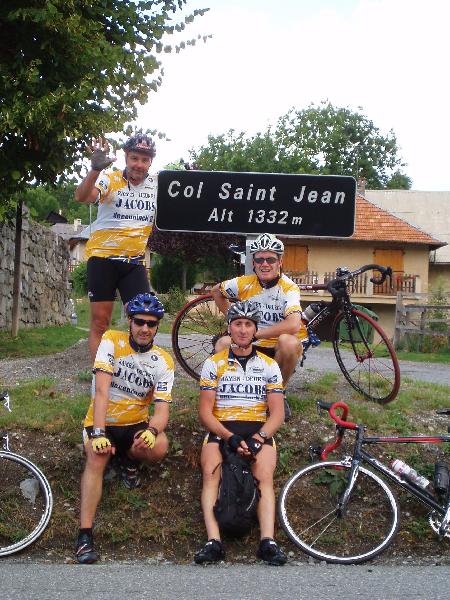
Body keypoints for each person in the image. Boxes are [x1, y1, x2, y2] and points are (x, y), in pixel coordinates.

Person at [75, 292, 174, 565]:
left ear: (158, 326)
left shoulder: (163, 361)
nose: (145, 328)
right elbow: (102, 393)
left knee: (160, 445)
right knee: (97, 456)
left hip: (135, 424)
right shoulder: (111, 341)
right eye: (139, 322)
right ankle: (85, 535)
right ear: (129, 321)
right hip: (102, 420)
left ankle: (129, 459)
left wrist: (151, 432)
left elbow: (162, 410)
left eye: (151, 324)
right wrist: (97, 432)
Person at [194, 301, 287, 566]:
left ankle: (267, 542)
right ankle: (214, 541)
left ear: (255, 330)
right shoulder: (213, 364)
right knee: (211, 474)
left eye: (248, 325)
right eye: (238, 324)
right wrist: (229, 438)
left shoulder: (270, 365)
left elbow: (277, 414)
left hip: (257, 428)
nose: (243, 330)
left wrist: (258, 439)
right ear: (229, 329)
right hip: (223, 428)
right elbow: (205, 413)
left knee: (264, 477)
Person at [75, 134, 157, 361]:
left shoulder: (156, 184)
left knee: (142, 319)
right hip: (103, 260)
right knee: (101, 322)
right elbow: (82, 197)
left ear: (151, 162)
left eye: (144, 159)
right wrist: (94, 169)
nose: (138, 164)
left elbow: (183, 198)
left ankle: (134, 374)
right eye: (134, 158)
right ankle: (99, 378)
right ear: (126, 158)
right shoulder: (109, 179)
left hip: (134, 262)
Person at [211, 233, 306, 390]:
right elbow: (216, 291)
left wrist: (254, 334)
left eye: (270, 259)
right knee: (222, 344)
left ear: (280, 262)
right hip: (249, 343)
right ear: (253, 263)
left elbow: (294, 325)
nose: (265, 264)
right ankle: (235, 391)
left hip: (275, 346)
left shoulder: (289, 287)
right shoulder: (244, 283)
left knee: (289, 343)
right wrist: (234, 319)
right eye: (259, 259)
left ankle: (277, 392)